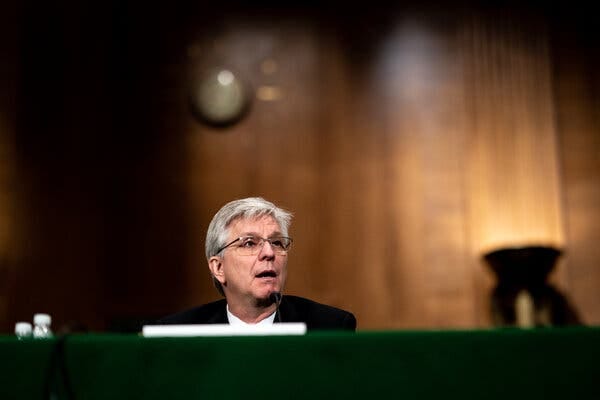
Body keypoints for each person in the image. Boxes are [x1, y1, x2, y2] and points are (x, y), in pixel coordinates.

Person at [159, 197, 356, 331]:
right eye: (249, 243)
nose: (269, 253)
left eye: (277, 242)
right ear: (218, 267)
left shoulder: (330, 327)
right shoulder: (177, 333)